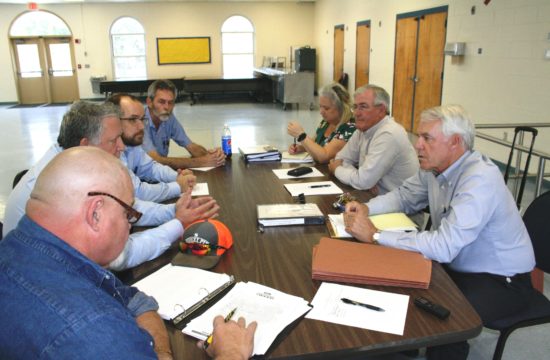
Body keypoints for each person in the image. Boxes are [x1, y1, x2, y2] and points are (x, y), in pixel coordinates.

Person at [0, 147, 256, 359]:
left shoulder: (22, 246)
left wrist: (162, 354)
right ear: (95, 213)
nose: (130, 225)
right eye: (128, 214)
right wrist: (231, 353)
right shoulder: (95, 332)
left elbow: (134, 300)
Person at [344, 105, 536, 360]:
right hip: (461, 264)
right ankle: (405, 348)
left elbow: (444, 246)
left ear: (455, 142)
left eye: (427, 138)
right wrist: (366, 208)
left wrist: (376, 236)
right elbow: (404, 196)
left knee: (446, 319)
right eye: (419, 136)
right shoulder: (435, 168)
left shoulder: (479, 179)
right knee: (399, 283)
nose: (417, 145)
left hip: (502, 280)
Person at [3, 101, 219, 271]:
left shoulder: (70, 160)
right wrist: (178, 223)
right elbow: (121, 255)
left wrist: (173, 211)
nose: (122, 146)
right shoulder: (72, 186)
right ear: (85, 144)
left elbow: (128, 206)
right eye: (114, 140)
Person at [328, 84, 418, 195]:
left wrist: (337, 170)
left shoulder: (389, 134)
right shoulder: (363, 129)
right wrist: (360, 177)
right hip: (374, 198)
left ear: (381, 110)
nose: (356, 113)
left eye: (363, 107)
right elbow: (341, 159)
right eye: (355, 107)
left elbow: (362, 181)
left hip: (400, 208)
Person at [107, 93, 196, 200]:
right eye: (132, 119)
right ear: (113, 121)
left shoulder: (132, 144)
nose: (141, 126)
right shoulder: (108, 151)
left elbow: (151, 168)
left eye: (142, 119)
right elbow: (137, 192)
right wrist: (178, 186)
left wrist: (177, 176)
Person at [143, 79, 226, 169]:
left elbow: (190, 145)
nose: (167, 107)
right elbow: (155, 160)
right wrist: (200, 162)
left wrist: (213, 156)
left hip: (160, 173)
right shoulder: (139, 122)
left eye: (170, 102)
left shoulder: (168, 117)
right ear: (149, 102)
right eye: (161, 102)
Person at [286, 83, 356, 163]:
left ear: (342, 107)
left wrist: (301, 135)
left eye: (326, 108)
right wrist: (301, 148)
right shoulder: (326, 122)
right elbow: (315, 144)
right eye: (320, 106)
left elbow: (324, 156)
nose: (321, 112)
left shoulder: (350, 128)